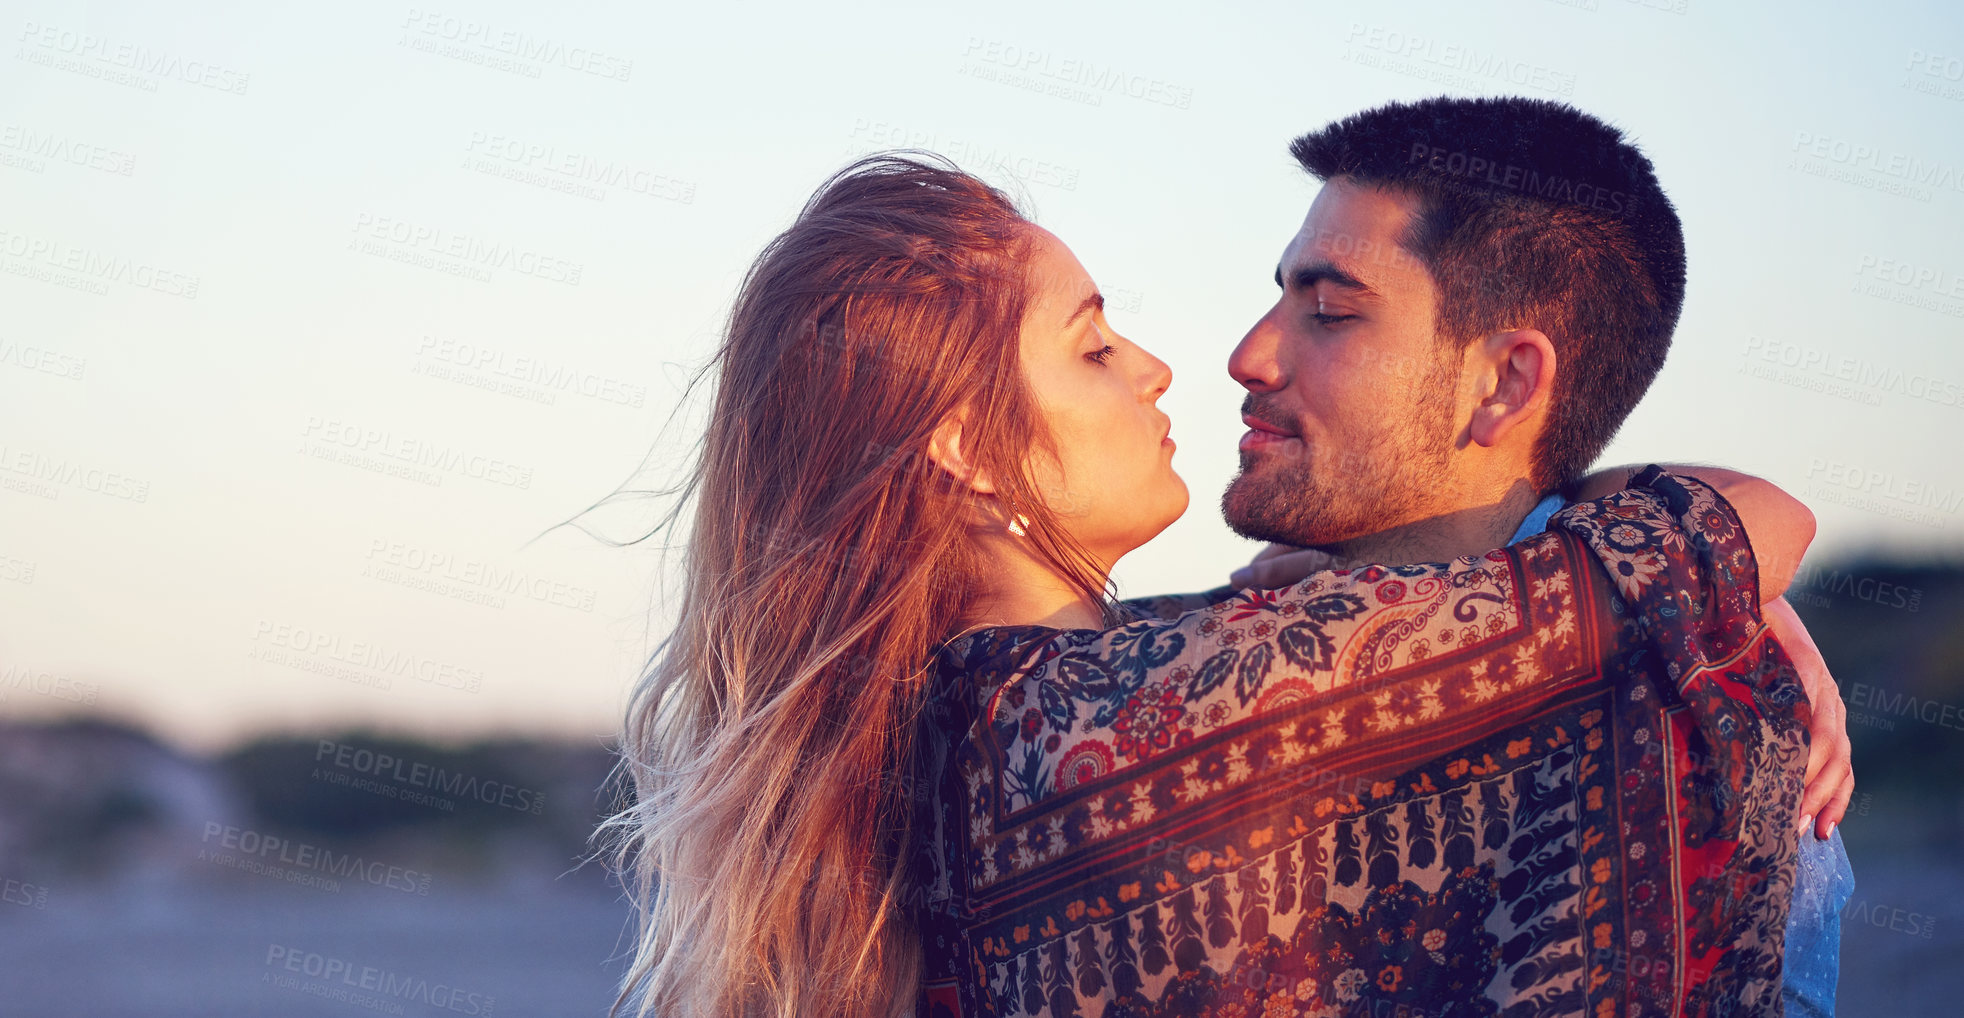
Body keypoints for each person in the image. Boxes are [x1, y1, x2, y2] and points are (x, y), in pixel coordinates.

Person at [594, 150, 1837, 1018]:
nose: (1157, 366)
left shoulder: (953, 717)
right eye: (1089, 345)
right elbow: (1746, 517)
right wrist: (1652, 567)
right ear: (963, 452)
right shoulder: (1124, 719)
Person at [1213, 95, 1855, 1017]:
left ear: (1506, 382)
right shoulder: (1236, 642)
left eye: (1327, 310)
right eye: (1279, 297)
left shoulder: (1714, 732)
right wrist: (1695, 557)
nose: (1249, 355)